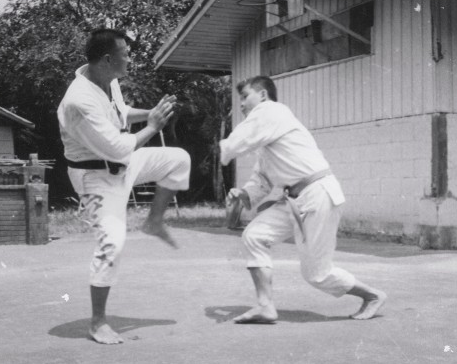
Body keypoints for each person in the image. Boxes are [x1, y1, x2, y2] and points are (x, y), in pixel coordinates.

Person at [57, 28, 190, 344]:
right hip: (93, 181)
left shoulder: (108, 80)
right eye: (126, 54)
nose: (130, 58)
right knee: (112, 243)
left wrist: (152, 113)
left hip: (122, 165)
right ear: (107, 59)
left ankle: (154, 221)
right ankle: (97, 322)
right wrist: (154, 125)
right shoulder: (78, 101)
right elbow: (118, 147)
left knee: (179, 159)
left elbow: (122, 115)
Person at [220, 76, 386, 324]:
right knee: (254, 236)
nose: (241, 104)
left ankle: (373, 295)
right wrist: (243, 194)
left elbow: (232, 146)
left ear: (263, 95)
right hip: (295, 200)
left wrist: (223, 148)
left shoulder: (272, 111)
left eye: (245, 97)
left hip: (317, 193)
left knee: (317, 275)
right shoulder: (268, 138)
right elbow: (262, 181)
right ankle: (265, 307)